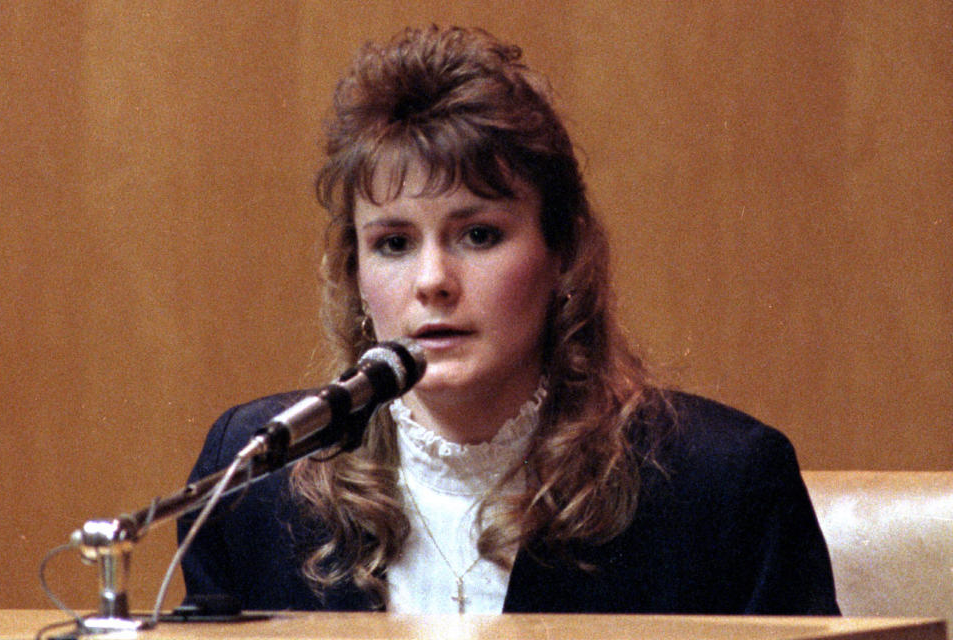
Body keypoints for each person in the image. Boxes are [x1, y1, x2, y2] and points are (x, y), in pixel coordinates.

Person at [179, 25, 839, 615]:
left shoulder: (717, 484)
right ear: (353, 274)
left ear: (566, 253)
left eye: (480, 235)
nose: (432, 281)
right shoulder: (256, 480)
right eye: (394, 244)